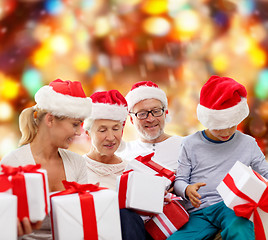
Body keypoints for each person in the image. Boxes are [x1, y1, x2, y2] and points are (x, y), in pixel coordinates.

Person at [168, 75, 268, 240]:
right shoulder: (190, 144)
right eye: (219, 127)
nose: (227, 132)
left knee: (240, 228)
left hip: (231, 207)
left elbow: (265, 174)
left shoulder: (248, 143)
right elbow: (180, 180)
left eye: (232, 125)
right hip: (199, 212)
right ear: (206, 120)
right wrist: (187, 189)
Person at [0, 79, 92, 239]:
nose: (79, 133)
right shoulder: (12, 164)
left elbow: (83, 219)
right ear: (50, 120)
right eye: (75, 124)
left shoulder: (77, 163)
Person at [83, 89, 146, 240]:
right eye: (102, 130)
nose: (111, 137)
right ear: (88, 133)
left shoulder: (132, 170)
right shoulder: (77, 167)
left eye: (116, 129)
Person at [116, 81, 183, 172]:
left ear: (165, 113)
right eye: (142, 114)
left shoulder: (185, 146)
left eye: (156, 111)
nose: (150, 119)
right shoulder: (122, 154)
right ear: (131, 120)